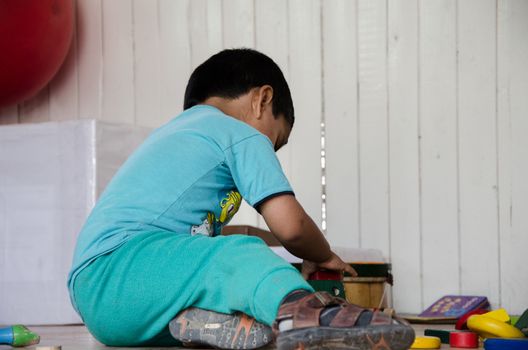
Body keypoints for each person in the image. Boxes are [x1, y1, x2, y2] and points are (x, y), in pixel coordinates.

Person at [68, 48, 414, 350]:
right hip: (120, 268)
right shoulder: (237, 132)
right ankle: (304, 312)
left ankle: (203, 326)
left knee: (221, 270)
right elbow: (291, 227)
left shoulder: (180, 135)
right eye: (276, 141)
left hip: (110, 304)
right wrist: (322, 254)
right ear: (262, 99)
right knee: (238, 255)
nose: (269, 149)